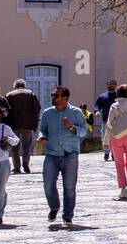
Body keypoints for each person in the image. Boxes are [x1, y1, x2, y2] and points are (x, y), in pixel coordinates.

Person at [38, 86, 89, 226]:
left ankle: (67, 215)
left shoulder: (76, 112)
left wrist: (72, 128)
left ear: (65, 98)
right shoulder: (47, 113)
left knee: (69, 186)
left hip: (70, 154)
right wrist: (42, 137)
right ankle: (54, 207)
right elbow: (42, 129)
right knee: (48, 184)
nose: (53, 97)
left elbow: (85, 131)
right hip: (52, 153)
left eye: (56, 95)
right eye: (53, 95)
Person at [5, 78, 41, 174]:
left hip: (14, 124)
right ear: (24, 85)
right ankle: (26, 164)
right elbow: (37, 108)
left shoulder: (9, 95)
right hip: (27, 125)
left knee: (14, 146)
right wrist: (34, 120)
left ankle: (17, 166)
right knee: (27, 145)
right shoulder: (30, 94)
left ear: (15, 86)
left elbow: (6, 110)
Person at [94, 80, 119, 162]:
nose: (111, 85)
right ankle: (106, 152)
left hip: (117, 121)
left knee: (116, 138)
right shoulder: (102, 96)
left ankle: (114, 153)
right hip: (106, 121)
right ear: (107, 85)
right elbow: (97, 106)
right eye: (110, 84)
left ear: (115, 85)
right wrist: (97, 111)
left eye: (113, 84)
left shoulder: (119, 96)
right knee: (105, 138)